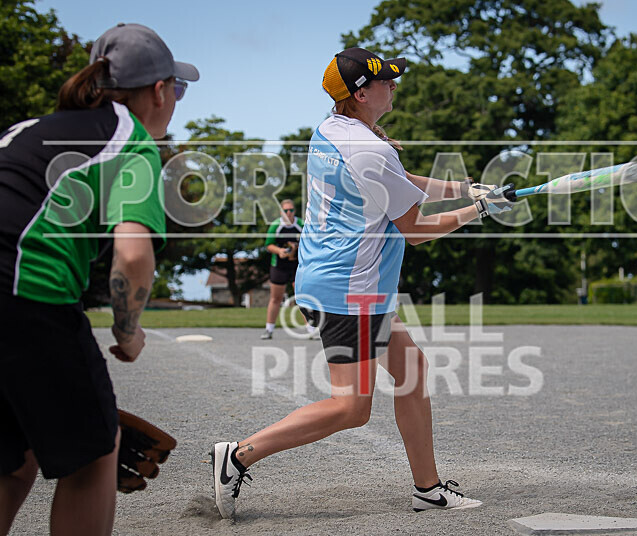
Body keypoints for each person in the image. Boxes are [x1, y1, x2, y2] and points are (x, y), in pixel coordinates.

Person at [211, 47, 511, 519]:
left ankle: (428, 488)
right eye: (386, 81)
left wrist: (465, 188)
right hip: (347, 290)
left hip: (342, 282)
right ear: (360, 93)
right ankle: (238, 455)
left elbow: (400, 178)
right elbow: (414, 232)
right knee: (351, 408)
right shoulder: (370, 149)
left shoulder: (332, 129)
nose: (394, 86)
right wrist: (480, 211)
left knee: (411, 371)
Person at [0, 23, 197, 535]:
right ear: (158, 91)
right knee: (95, 450)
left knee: (15, 456)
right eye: (178, 88)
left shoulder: (25, 129)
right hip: (25, 294)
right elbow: (133, 256)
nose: (177, 99)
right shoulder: (129, 141)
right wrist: (128, 331)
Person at [261, 199, 315, 339]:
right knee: (276, 298)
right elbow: (268, 245)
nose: (289, 213)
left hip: (297, 266)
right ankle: (269, 329)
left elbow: (311, 241)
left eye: (291, 210)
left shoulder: (301, 224)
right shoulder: (276, 226)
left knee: (302, 298)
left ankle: (311, 328)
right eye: (286, 211)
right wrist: (279, 251)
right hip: (279, 266)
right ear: (281, 212)